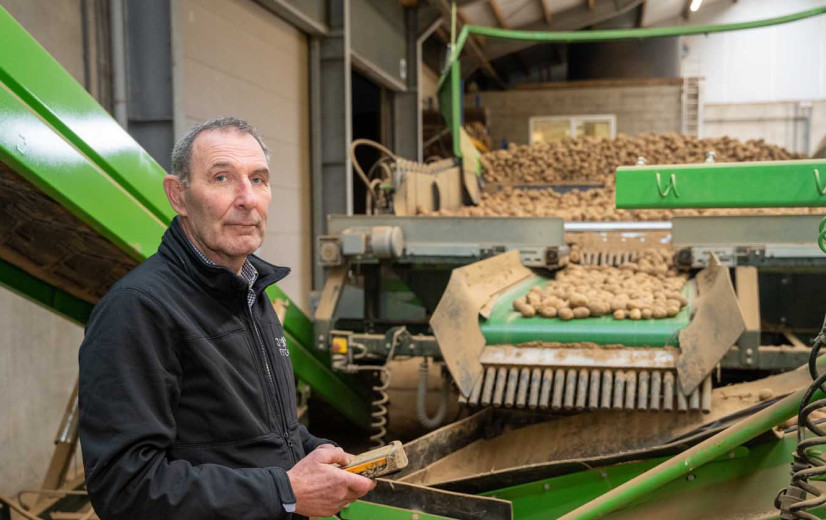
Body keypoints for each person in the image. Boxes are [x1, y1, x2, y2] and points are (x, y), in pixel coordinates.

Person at [78, 117, 375, 519]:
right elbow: (124, 488)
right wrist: (285, 491)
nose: (247, 199)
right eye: (222, 178)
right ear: (178, 196)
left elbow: (251, 434)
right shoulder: (138, 309)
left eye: (258, 179)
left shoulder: (251, 292)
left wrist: (311, 449)